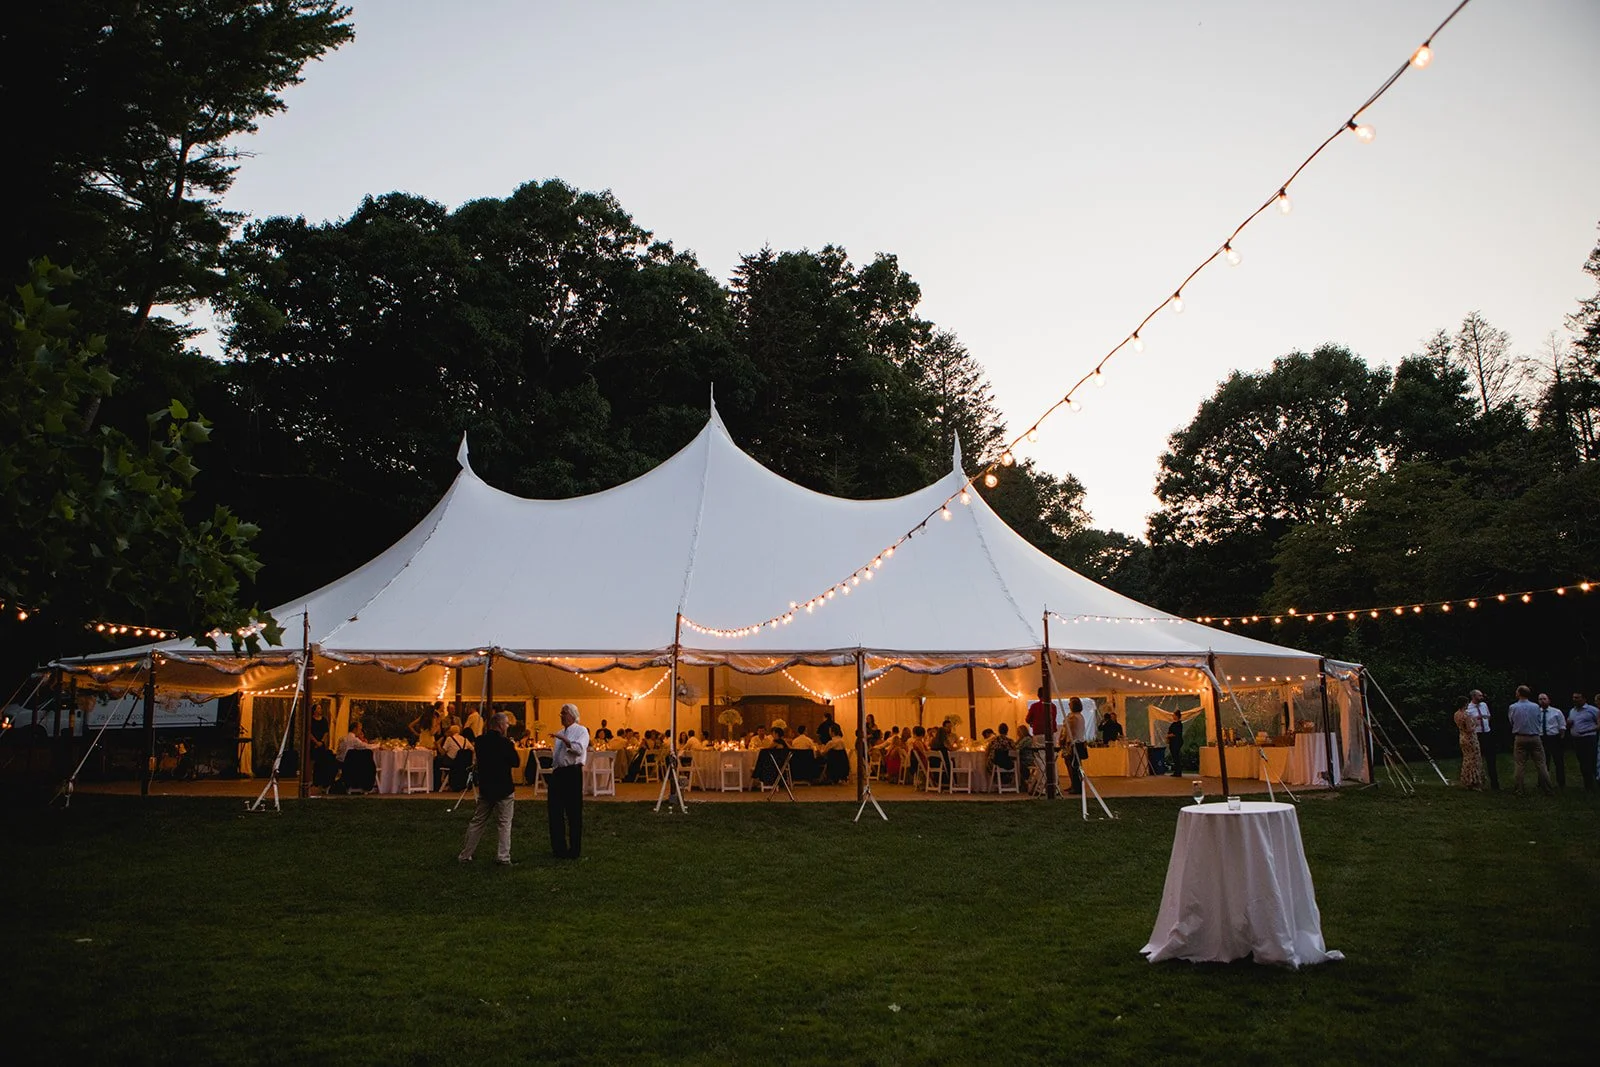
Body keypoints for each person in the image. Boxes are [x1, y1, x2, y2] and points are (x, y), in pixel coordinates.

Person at [457, 712, 518, 865]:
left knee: (477, 821)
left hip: (486, 786)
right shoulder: (505, 743)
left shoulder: (480, 742)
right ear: (500, 725)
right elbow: (515, 761)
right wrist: (511, 746)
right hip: (504, 787)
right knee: (504, 823)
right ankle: (503, 856)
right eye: (506, 724)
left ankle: (465, 854)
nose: (507, 726)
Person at [548, 703, 589, 860]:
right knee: (555, 811)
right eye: (561, 713)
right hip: (558, 772)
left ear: (572, 714)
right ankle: (559, 849)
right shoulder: (560, 732)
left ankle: (574, 849)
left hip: (572, 773)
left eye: (564, 713)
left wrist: (564, 740)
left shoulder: (581, 731)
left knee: (573, 811)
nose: (561, 716)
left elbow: (579, 749)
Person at [1506, 686, 1553, 797]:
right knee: (1541, 764)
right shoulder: (1536, 706)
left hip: (1520, 737)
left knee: (1520, 764)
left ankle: (1519, 790)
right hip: (1535, 737)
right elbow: (1538, 719)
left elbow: (1511, 721)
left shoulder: (1513, 707)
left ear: (1519, 693)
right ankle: (1548, 789)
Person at [1465, 689, 1497, 790]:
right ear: (1473, 697)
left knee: (1491, 758)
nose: (1481, 697)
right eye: (1479, 696)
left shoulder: (1484, 705)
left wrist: (1485, 717)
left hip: (1487, 732)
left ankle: (1495, 783)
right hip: (1477, 734)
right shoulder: (1468, 709)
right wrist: (1476, 719)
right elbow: (1468, 724)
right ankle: (1477, 782)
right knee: (1477, 758)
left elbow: (1489, 716)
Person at [1452, 696, 1484, 790]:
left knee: (1467, 758)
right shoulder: (1466, 715)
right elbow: (1469, 729)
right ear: (1465, 704)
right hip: (1470, 738)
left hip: (1462, 737)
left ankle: (1466, 780)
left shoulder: (1456, 714)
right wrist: (1476, 724)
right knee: (1474, 759)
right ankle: (1473, 781)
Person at [1568, 692, 1598, 790]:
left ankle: (1595, 782)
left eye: (1577, 698)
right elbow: (1569, 723)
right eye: (1573, 697)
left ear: (1584, 699)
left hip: (1589, 739)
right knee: (1582, 762)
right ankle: (1588, 785)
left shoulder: (1592, 710)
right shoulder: (1572, 710)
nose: (1574, 699)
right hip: (1577, 740)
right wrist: (1568, 723)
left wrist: (1587, 730)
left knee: (1591, 761)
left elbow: (1598, 724)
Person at [1538, 693, 1566, 789]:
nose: (1542, 701)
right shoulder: (1537, 712)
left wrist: (1561, 737)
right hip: (1542, 737)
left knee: (1558, 760)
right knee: (1543, 761)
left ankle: (1561, 782)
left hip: (1554, 737)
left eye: (1544, 699)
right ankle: (1543, 782)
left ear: (1549, 700)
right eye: (1540, 699)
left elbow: (1562, 725)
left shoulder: (1556, 712)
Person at [1064, 698, 1088, 794]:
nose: (1069, 705)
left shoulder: (1074, 717)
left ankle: (1076, 787)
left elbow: (1071, 731)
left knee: (1073, 766)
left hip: (1074, 743)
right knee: (1074, 765)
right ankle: (1074, 785)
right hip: (1079, 742)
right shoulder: (1080, 716)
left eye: (1070, 703)